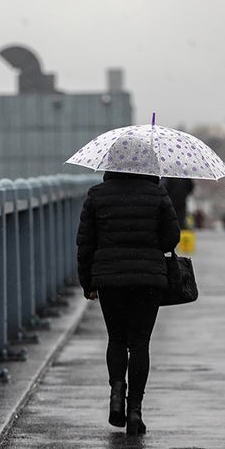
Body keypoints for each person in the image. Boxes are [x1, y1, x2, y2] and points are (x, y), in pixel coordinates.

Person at [76, 171, 180, 435]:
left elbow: (85, 243)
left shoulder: (97, 196)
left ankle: (116, 394)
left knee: (117, 339)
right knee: (140, 343)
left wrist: (88, 283)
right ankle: (135, 412)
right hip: (148, 279)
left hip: (110, 279)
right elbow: (171, 238)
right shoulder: (157, 194)